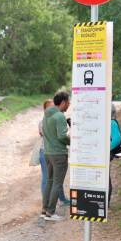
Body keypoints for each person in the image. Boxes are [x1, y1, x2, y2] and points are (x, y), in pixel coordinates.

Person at [41, 91, 71, 221]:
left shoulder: (46, 115)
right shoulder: (59, 116)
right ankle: (51, 213)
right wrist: (73, 141)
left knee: (50, 181)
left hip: (48, 153)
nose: (69, 105)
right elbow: (62, 136)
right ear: (63, 102)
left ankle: (44, 209)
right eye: (68, 102)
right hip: (59, 154)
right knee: (57, 183)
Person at [109, 105, 121, 202]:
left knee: (105, 177)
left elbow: (117, 140)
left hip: (106, 154)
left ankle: (106, 201)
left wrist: (105, 150)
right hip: (103, 155)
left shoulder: (112, 122)